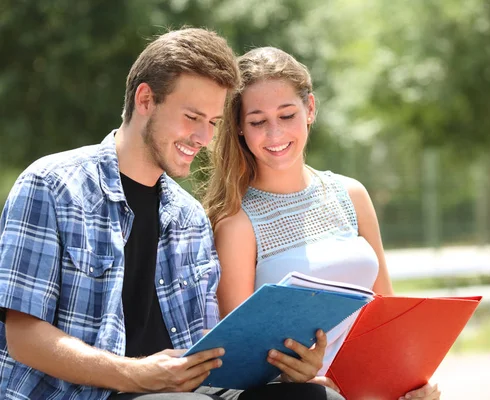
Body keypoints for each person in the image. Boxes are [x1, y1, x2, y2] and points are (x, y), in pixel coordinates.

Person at [0, 29, 341, 400]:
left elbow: (212, 355)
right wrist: (137, 374)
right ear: (146, 99)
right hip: (83, 394)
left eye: (212, 122)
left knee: (315, 396)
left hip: (186, 391)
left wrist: (288, 372)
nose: (203, 137)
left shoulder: (189, 217)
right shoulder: (52, 185)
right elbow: (22, 338)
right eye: (192, 117)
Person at [203, 47, 442, 400]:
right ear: (238, 126)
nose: (274, 134)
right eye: (257, 121)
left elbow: (388, 312)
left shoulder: (352, 194)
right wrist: (296, 379)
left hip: (368, 387)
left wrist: (411, 383)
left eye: (287, 115)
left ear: (310, 109)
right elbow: (241, 358)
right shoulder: (236, 223)